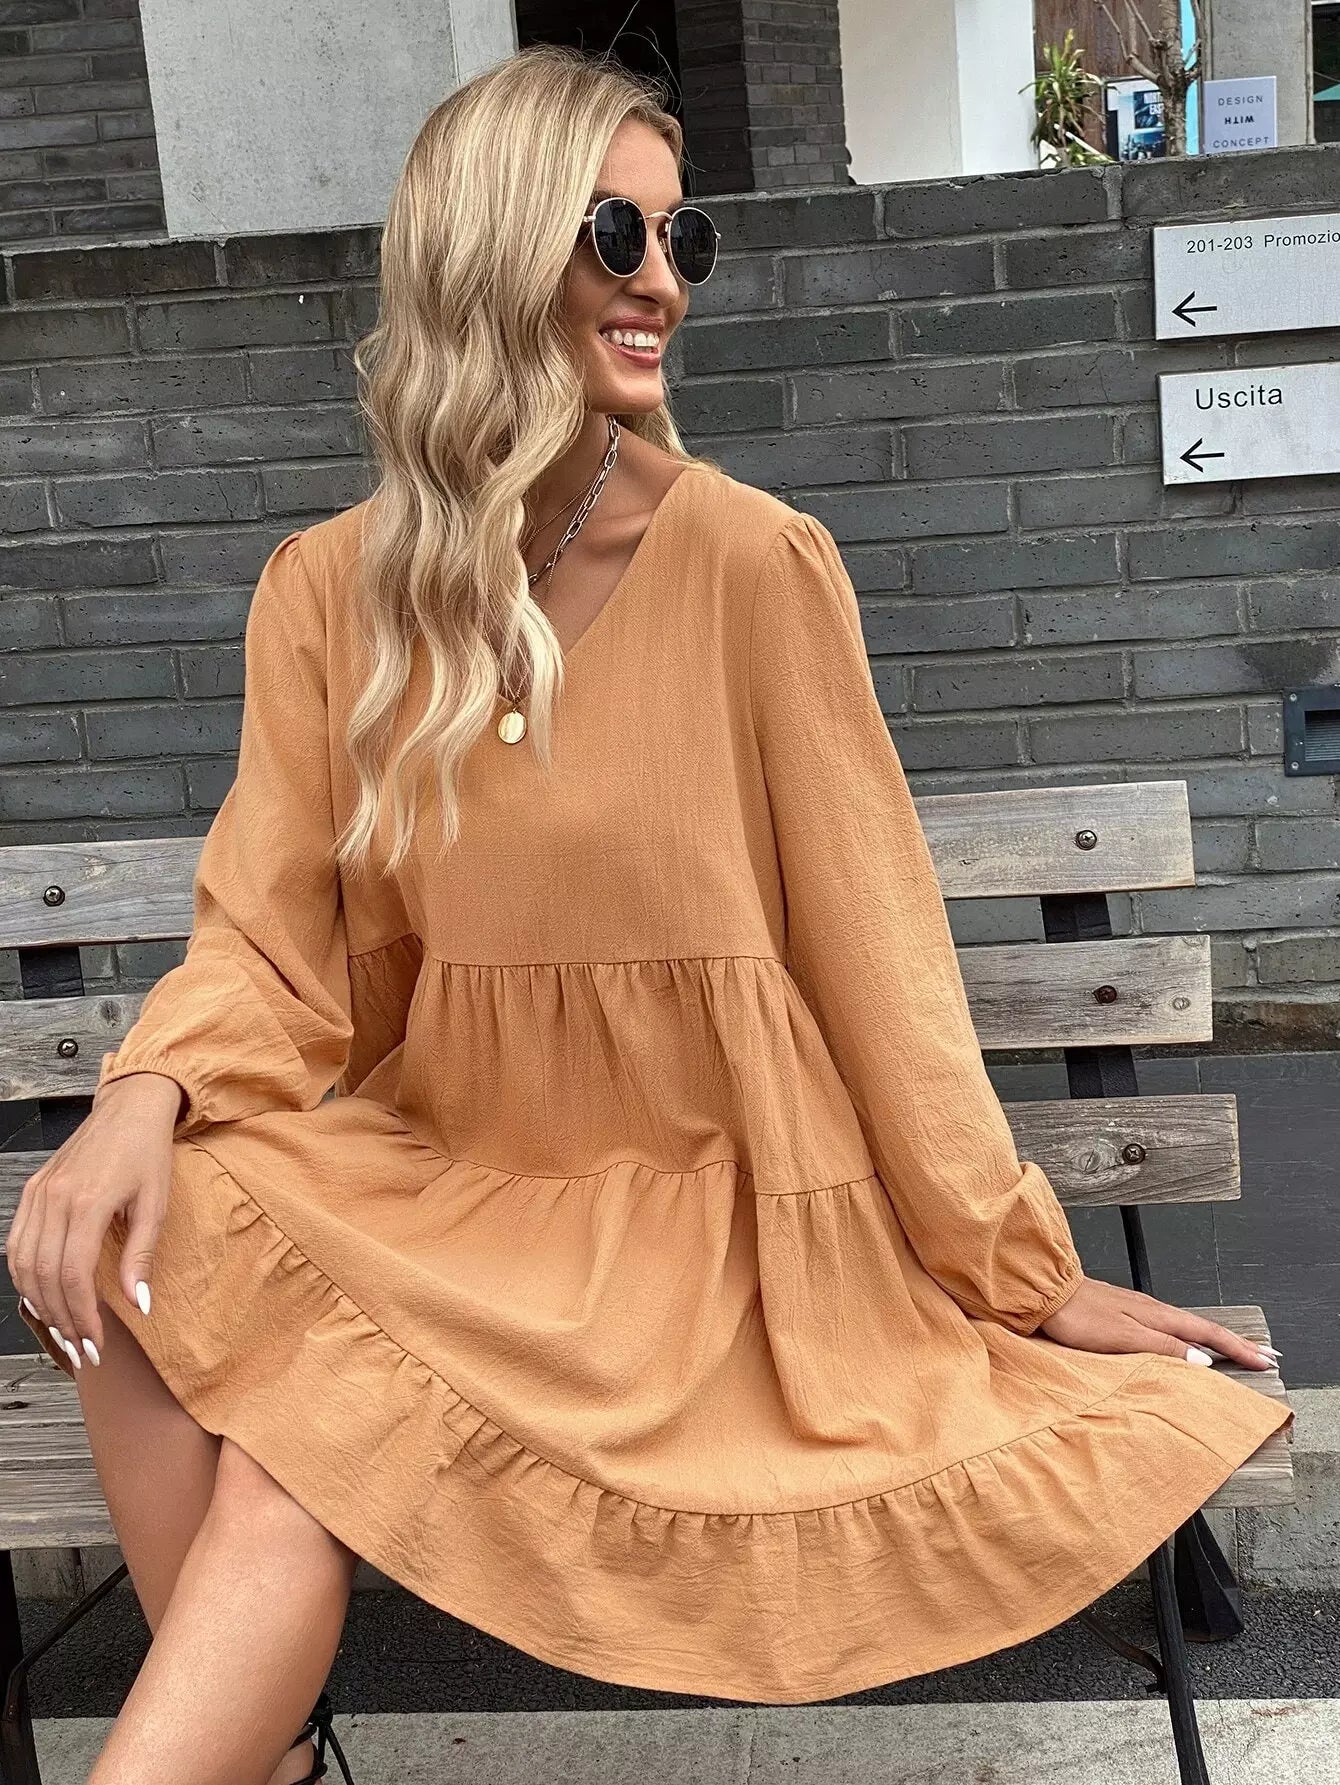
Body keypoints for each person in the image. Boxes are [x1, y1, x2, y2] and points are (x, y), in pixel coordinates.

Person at [6, 41, 1293, 1785]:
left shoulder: (753, 560)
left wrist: (1023, 1271)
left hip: (702, 1227)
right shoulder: (324, 596)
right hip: (462, 1188)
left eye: (684, 239)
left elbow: (880, 955)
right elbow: (273, 934)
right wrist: (139, 1096)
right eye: (615, 231)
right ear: (487, 246)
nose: (663, 282)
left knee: (292, 1445)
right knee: (128, 1236)